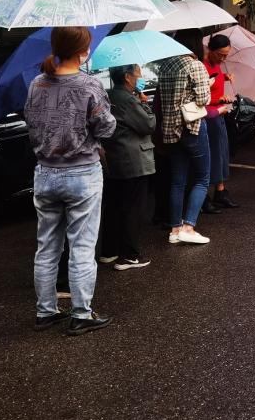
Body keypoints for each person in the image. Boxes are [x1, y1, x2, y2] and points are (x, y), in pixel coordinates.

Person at [25, 26, 116, 336]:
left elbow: (31, 123)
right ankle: (81, 313)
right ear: (81, 52)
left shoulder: (37, 83)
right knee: (82, 247)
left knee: (46, 247)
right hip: (82, 174)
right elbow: (106, 128)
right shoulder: (89, 84)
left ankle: (45, 311)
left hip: (45, 172)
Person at [158, 30, 213, 245]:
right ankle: (189, 227)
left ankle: (174, 229)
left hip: (171, 129)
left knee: (177, 181)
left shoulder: (165, 66)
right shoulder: (195, 65)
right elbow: (203, 100)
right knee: (202, 178)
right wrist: (207, 85)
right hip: (192, 127)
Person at [99, 63, 155, 272]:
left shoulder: (108, 95)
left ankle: (109, 250)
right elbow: (148, 125)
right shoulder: (128, 99)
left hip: (115, 157)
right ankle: (130, 255)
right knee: (133, 207)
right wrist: (145, 104)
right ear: (127, 77)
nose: (140, 77)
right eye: (138, 74)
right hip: (133, 159)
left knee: (114, 205)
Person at [203, 33, 238, 212]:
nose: (223, 59)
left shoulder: (216, 65)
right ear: (211, 50)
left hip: (220, 114)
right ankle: (204, 195)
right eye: (220, 54)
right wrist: (219, 100)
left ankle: (221, 191)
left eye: (226, 55)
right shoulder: (202, 67)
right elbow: (200, 98)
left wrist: (225, 76)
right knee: (213, 155)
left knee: (222, 153)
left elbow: (215, 80)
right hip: (209, 115)